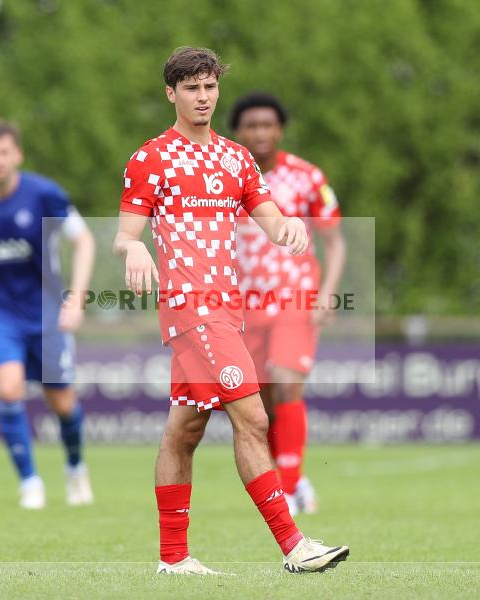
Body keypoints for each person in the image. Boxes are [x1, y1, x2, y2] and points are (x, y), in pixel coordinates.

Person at [112, 47, 349, 575]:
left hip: (227, 308)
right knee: (253, 415)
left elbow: (271, 219)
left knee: (184, 431)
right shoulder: (150, 158)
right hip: (189, 308)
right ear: (171, 93)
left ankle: (173, 558)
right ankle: (294, 546)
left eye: (209, 87)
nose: (203, 97)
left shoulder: (236, 158)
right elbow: (125, 235)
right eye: (191, 88)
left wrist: (290, 227)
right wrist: (134, 249)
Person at [0, 120, 95, 509]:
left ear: (18, 156)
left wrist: (76, 298)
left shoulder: (44, 194)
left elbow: (83, 241)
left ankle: (75, 467)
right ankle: (30, 482)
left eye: (4, 153)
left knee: (62, 404)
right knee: (9, 388)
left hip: (45, 311)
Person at [230, 93, 346, 516]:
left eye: (267, 125)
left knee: (286, 380)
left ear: (279, 130)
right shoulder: (226, 174)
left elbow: (334, 241)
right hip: (244, 303)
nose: (259, 133)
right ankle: (288, 474)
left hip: (296, 295)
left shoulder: (307, 177)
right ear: (239, 131)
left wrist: (328, 290)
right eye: (251, 126)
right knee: (260, 404)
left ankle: (290, 486)